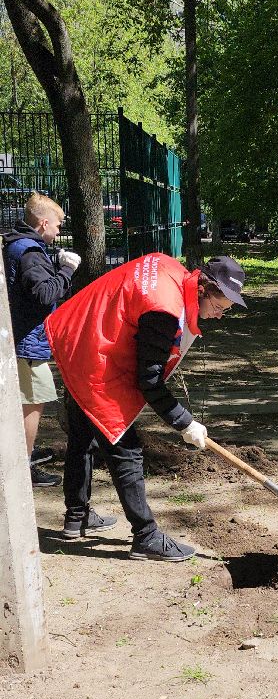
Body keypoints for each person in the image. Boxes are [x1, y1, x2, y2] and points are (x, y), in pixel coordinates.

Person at [45, 252, 246, 561]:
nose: (220, 316)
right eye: (219, 307)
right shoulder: (164, 309)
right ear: (203, 288)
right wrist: (185, 423)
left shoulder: (172, 272)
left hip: (82, 334)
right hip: (95, 353)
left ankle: (77, 515)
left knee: (82, 434)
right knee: (124, 447)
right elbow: (149, 381)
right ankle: (146, 536)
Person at [3, 192, 81, 486]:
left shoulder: (22, 247)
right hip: (27, 343)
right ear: (43, 223)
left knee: (28, 402)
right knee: (32, 402)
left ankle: (21, 463)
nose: (60, 230)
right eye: (58, 225)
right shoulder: (30, 251)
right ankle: (21, 469)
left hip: (23, 340)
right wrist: (67, 269)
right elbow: (44, 294)